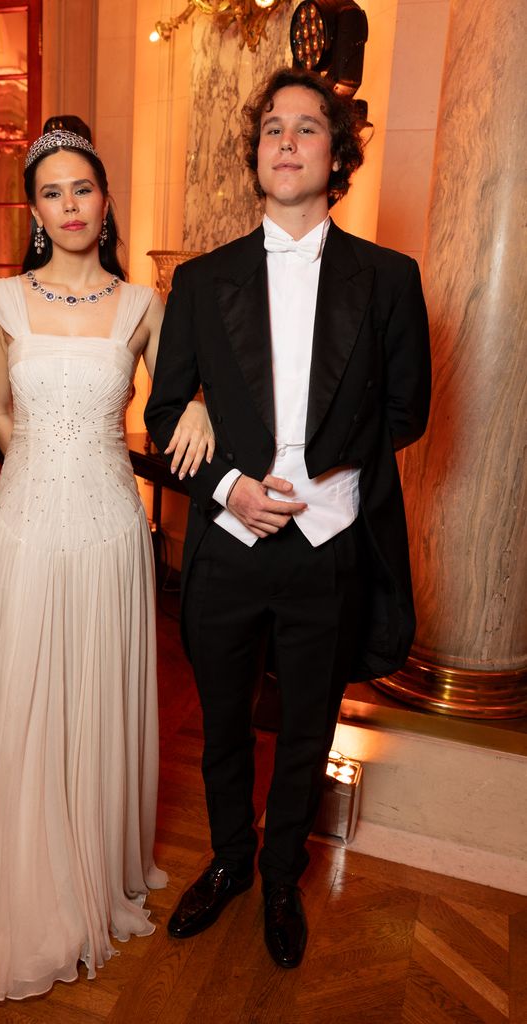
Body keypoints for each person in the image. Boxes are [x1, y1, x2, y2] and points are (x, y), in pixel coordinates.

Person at [0, 129, 214, 1001]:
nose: (71, 205)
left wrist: (194, 403)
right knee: (25, 687)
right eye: (53, 193)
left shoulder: (145, 304)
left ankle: (92, 853)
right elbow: (1, 415)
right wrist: (40, 480)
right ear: (34, 210)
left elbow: (179, 396)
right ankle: (19, 859)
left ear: (105, 201)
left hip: (113, 524)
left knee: (96, 687)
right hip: (30, 519)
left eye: (84, 189)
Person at [145, 67, 431, 970]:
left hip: (330, 544)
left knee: (308, 728)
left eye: (308, 128)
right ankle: (230, 861)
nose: (286, 141)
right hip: (229, 548)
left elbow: (409, 412)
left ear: (337, 154)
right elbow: (163, 417)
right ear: (256, 151)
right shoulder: (199, 280)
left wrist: (317, 464)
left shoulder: (388, 278)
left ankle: (279, 873)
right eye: (272, 127)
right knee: (220, 719)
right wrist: (230, 482)